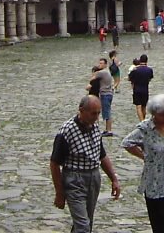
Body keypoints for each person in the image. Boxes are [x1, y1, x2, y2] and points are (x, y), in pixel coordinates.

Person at [50, 95, 122, 233]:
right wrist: (59, 192)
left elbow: (101, 155)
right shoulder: (67, 131)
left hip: (93, 177)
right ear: (81, 111)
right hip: (74, 179)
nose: (96, 117)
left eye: (98, 113)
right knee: (83, 225)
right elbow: (54, 163)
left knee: (86, 221)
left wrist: (114, 178)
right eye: (93, 113)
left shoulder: (94, 126)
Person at [121, 93, 164, 233]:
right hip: (155, 185)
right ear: (154, 113)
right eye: (162, 115)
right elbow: (127, 143)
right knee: (159, 227)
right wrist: (144, 156)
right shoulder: (145, 128)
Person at [91, 58, 114, 136]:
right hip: (109, 93)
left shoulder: (102, 72)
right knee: (106, 111)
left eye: (101, 63)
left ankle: (109, 130)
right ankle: (107, 129)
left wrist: (95, 71)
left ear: (105, 64)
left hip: (105, 94)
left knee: (106, 112)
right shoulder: (107, 71)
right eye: (99, 63)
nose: (99, 65)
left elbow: (93, 77)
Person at [129, 54, 154, 121]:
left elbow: (130, 78)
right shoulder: (149, 70)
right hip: (145, 89)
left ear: (140, 60)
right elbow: (150, 79)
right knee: (144, 107)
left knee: (138, 107)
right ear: (147, 61)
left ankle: (141, 121)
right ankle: (143, 119)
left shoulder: (135, 70)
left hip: (137, 89)